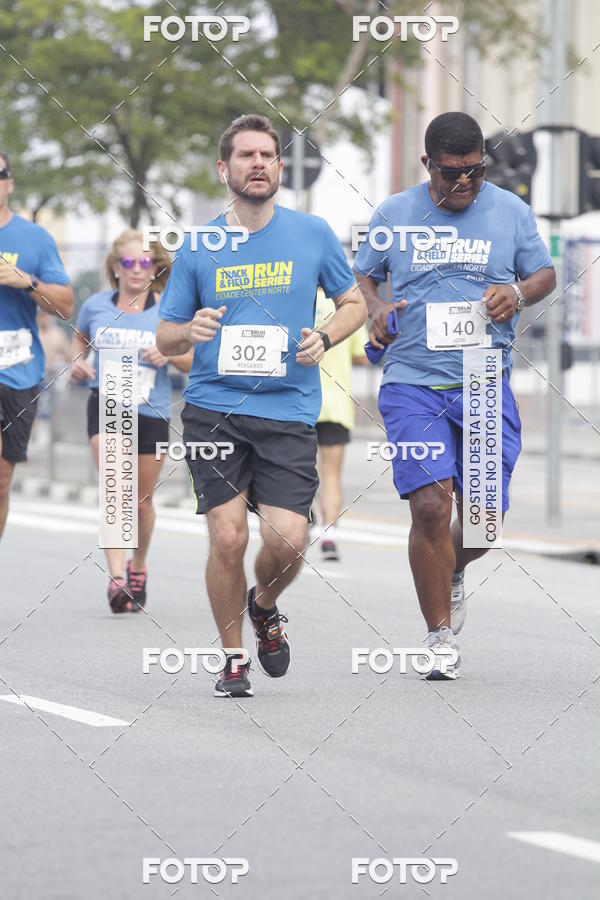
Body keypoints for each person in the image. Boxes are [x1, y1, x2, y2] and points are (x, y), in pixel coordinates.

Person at [157, 114, 367, 698]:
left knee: (289, 540)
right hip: (213, 408)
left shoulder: (313, 233)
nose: (258, 164)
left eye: (267, 155)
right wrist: (189, 329)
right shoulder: (199, 244)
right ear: (224, 169)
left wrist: (324, 336)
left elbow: (354, 303)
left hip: (288, 409)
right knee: (228, 538)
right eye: (246, 155)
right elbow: (166, 335)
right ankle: (232, 660)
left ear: (279, 167)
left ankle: (264, 602)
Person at [354, 111, 556, 679]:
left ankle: (453, 569)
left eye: (474, 171)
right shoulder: (394, 214)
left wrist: (515, 291)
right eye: (452, 173)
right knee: (431, 506)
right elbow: (362, 276)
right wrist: (375, 308)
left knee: (485, 523)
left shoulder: (510, 210)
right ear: (428, 165)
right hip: (411, 381)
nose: (465, 183)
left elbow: (545, 274)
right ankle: (438, 635)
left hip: (483, 381)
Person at [71, 230, 192, 613]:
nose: (137, 270)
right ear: (115, 267)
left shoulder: (169, 310)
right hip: (107, 406)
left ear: (155, 267)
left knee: (140, 503)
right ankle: (117, 577)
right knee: (115, 492)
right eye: (129, 263)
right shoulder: (95, 306)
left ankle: (138, 566)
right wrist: (79, 363)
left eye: (145, 263)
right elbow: (80, 339)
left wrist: (167, 355)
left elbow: (191, 360)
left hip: (152, 412)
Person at [0, 151, 73, 543]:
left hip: (18, 370)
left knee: (2, 479)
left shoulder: (34, 238)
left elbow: (64, 305)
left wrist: (25, 281)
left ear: (9, 182)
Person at [314, 287, 368, 561]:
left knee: (295, 471)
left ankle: (299, 521)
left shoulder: (296, 299)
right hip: (335, 403)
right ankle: (329, 535)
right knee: (331, 476)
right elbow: (362, 354)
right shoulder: (345, 306)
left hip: (300, 403)